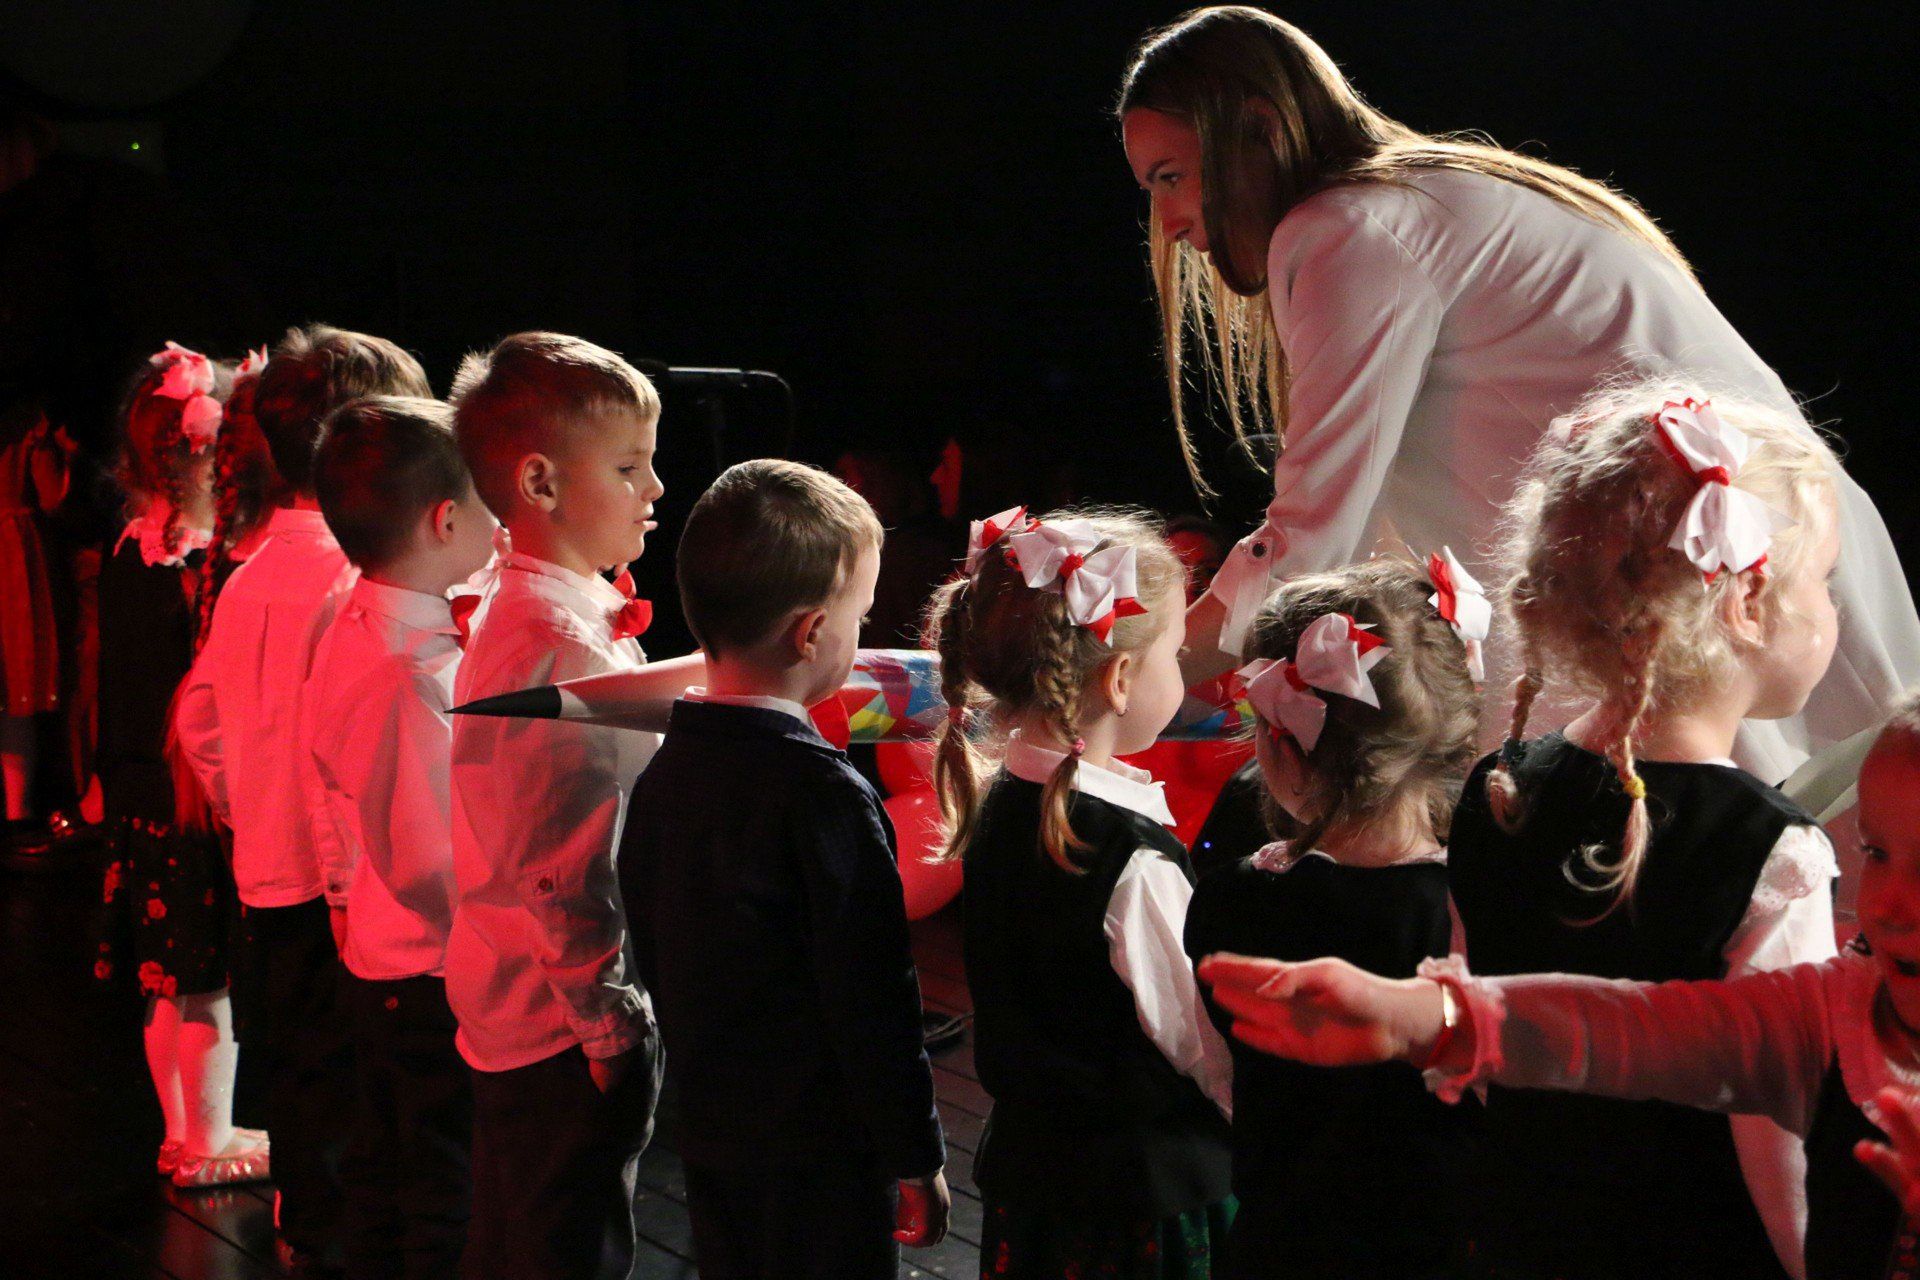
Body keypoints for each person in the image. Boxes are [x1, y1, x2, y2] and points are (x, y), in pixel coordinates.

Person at [1116, 5, 1919, 789]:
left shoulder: (1350, 229)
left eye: (1173, 176)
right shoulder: (1432, 198)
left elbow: (1314, 531)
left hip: (1703, 594)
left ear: (1258, 128)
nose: (1168, 219)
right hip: (1753, 568)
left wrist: (1136, 671)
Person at [1198, 690, 1920, 1280]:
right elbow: (1638, 1030)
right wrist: (1431, 1016)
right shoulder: (1839, 1003)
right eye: (1876, 854)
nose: (1887, 901)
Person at [621, 458, 948, 1277]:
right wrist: (916, 1153)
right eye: (861, 617)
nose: (862, 635)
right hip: (820, 1152)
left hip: (711, 1135)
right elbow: (874, 996)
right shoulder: (824, 795)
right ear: (810, 633)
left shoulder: (664, 774)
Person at [175, 324, 433, 1272]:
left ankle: (309, 1221)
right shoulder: (362, 578)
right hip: (352, 882)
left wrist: (247, 807)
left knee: (298, 1060)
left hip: (270, 874)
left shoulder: (250, 579)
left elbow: (199, 718)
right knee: (364, 1078)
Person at [927, 506, 1235, 1276]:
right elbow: (1198, 1044)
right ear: (1122, 678)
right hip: (1142, 1202)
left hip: (1036, 1188)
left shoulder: (1000, 800)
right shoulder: (1131, 856)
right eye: (1172, 649)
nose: (1179, 665)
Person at [440, 332, 666, 1280]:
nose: (655, 491)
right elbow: (560, 862)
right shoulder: (556, 643)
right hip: (560, 1023)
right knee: (562, 1244)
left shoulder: (533, 609)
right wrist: (611, 1023)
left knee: (521, 1229)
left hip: (526, 1002)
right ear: (539, 484)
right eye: (629, 467)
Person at [1183, 557, 1480, 1277]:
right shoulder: (1473, 913)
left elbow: (1212, 1073)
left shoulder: (1232, 900)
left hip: (1280, 1240)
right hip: (1434, 1247)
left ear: (1281, 744)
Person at [306, 396, 497, 1279]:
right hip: (428, 971)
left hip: (382, 962)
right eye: (492, 502)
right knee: (439, 1195)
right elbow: (430, 863)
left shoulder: (359, 619)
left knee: (391, 1175)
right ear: (447, 518)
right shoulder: (405, 671)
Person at [94, 342, 272, 1188]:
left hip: (136, 793)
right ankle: (207, 1139)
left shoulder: (131, 547)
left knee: (165, 981)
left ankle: (182, 1129)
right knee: (205, 981)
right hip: (188, 798)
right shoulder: (204, 564)